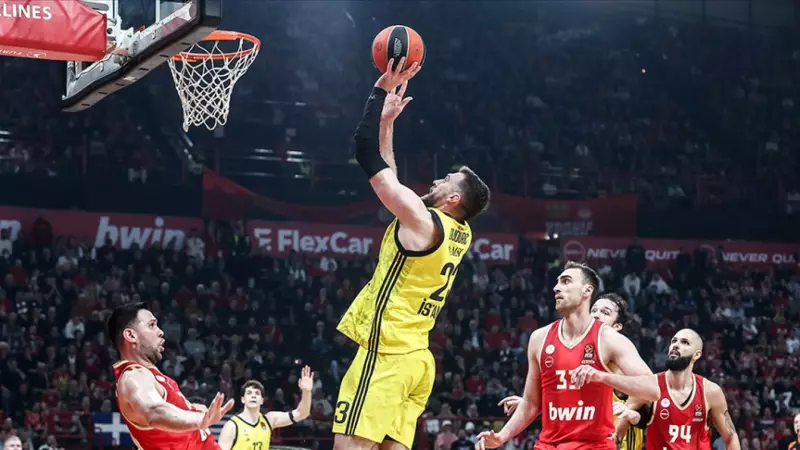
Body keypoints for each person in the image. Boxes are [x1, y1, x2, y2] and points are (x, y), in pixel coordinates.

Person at [332, 57, 492, 450]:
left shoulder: (423, 222)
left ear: (453, 200)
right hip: (417, 360)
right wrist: (388, 123)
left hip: (387, 355)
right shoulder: (458, 231)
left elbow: (365, 153)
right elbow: (397, 186)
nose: (437, 179)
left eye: (447, 180)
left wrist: (379, 90)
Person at [476, 262, 660, 450]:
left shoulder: (609, 339)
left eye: (566, 281)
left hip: (593, 446)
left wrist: (601, 376)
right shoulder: (539, 338)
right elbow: (531, 403)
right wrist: (501, 437)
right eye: (557, 282)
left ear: (587, 291)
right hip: (548, 445)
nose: (556, 288)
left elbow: (653, 389)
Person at [498, 292, 644, 450]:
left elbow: (647, 389)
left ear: (617, 327)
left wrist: (628, 412)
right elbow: (574, 407)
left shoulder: (617, 361)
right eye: (593, 310)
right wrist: (533, 404)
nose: (596, 315)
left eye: (605, 312)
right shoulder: (583, 355)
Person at [107, 302, 233, 450]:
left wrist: (191, 410)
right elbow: (154, 411)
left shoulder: (149, 376)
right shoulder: (133, 376)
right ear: (130, 335)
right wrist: (200, 419)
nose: (160, 332)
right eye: (151, 325)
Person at [612, 329, 741, 450]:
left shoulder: (710, 392)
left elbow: (731, 437)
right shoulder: (649, 386)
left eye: (685, 342)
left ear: (696, 355)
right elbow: (616, 434)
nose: (675, 345)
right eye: (674, 341)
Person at [218, 366, 314, 450]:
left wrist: (306, 392)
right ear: (243, 399)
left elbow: (302, 413)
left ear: (262, 400)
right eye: (249, 393)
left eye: (257, 393)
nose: (253, 396)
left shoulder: (269, 420)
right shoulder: (232, 426)